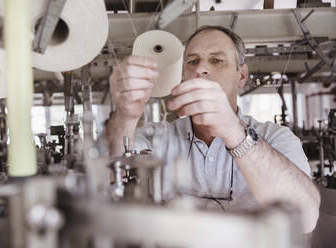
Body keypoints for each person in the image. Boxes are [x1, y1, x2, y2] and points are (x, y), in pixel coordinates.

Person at [105, 25, 320, 233]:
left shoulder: (276, 138)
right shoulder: (159, 137)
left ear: (242, 76)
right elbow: (109, 179)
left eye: (217, 60)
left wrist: (235, 133)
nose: (201, 69)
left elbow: (305, 219)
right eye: (192, 61)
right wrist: (125, 115)